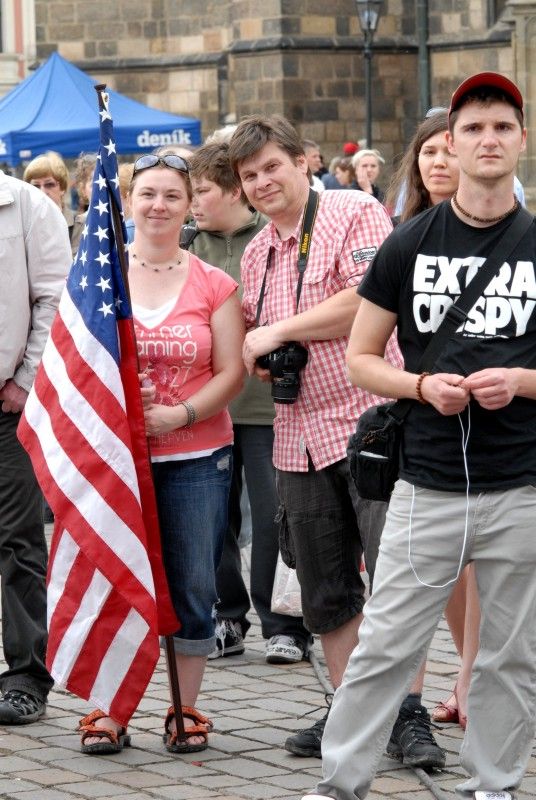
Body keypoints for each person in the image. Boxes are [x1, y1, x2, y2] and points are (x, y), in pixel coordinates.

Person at [305, 72, 536, 800]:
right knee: (384, 646)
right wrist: (421, 387)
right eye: (473, 129)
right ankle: (341, 785)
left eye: (502, 126)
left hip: (523, 483)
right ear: (452, 146)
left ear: (522, 140)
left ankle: (494, 785)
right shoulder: (408, 243)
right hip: (427, 481)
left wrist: (521, 382)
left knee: (509, 654)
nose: (488, 139)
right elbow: (361, 359)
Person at [227, 114, 401, 757]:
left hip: (371, 426)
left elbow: (370, 299)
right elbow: (252, 339)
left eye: (273, 165)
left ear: (303, 161)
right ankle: (349, 714)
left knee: (396, 582)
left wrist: (281, 332)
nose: (263, 182)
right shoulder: (255, 254)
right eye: (251, 176)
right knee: (327, 592)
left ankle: (404, 716)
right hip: (295, 437)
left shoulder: (353, 210)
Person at [78, 152, 245, 755]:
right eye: (147, 194)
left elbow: (232, 372)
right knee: (114, 580)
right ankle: (108, 709)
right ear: (127, 203)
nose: (158, 206)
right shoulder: (100, 276)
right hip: (116, 459)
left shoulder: (214, 283)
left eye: (172, 195)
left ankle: (186, 709)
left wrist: (179, 413)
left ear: (190, 205)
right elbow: (76, 362)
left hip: (197, 456)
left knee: (192, 584)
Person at [187, 140, 312, 662]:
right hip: (209, 406)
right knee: (214, 520)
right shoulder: (188, 246)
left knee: (272, 516)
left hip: (265, 406)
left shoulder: (272, 238)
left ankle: (282, 622)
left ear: (235, 192)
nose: (192, 202)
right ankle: (227, 616)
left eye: (202, 191)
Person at [0, 171, 72, 724]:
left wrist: (25, 380)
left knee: (17, 541)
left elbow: (54, 297)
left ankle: (26, 674)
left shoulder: (26, 205)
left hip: (6, 407)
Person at [23, 151, 75, 239]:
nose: (42, 191)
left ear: (62, 188)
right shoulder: (23, 227)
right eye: (35, 186)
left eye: (49, 184)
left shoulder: (81, 224)